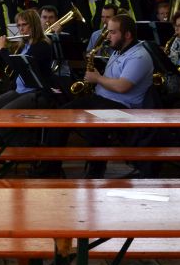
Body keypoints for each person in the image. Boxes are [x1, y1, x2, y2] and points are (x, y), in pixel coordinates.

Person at [44, 14, 154, 178]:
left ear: (127, 35)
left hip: (122, 107)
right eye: (108, 32)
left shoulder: (139, 56)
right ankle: (50, 169)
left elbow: (122, 86)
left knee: (94, 128)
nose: (108, 36)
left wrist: (97, 78)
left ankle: (95, 172)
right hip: (102, 99)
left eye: (112, 32)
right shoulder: (119, 49)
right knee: (59, 116)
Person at [0, 8, 55, 111]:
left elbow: (20, 67)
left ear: (34, 25)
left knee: (4, 113)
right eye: (19, 25)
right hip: (20, 90)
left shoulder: (42, 45)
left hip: (35, 92)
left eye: (24, 25)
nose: (21, 29)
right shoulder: (24, 45)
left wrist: (2, 49)